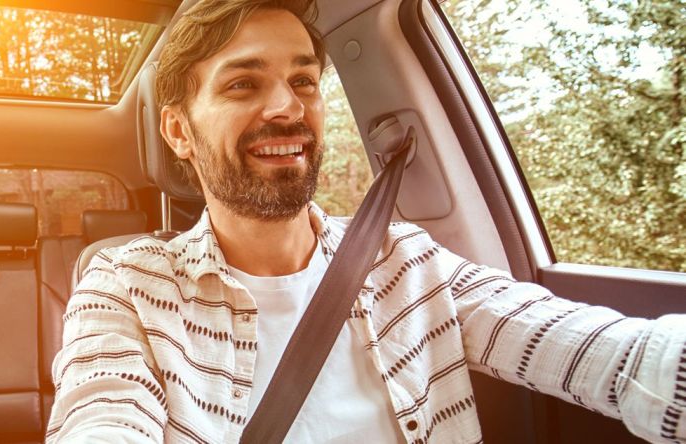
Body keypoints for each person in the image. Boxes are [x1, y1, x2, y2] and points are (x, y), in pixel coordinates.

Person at [45, 1, 686, 443]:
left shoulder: (408, 263)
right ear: (179, 131)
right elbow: (103, 413)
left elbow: (609, 354)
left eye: (304, 81)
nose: (287, 108)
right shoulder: (124, 287)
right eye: (243, 85)